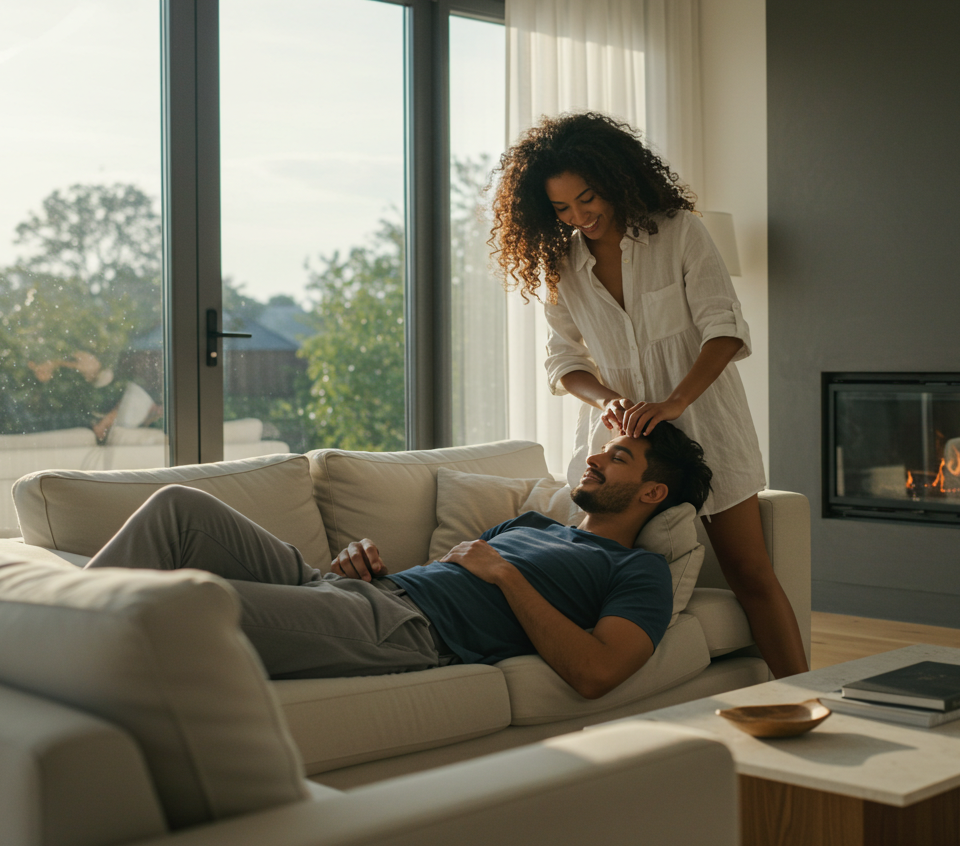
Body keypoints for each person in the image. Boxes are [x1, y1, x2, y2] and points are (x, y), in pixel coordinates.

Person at [489, 112, 809, 678]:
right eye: (561, 208)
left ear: (615, 178)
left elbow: (725, 328)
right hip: (623, 445)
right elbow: (563, 360)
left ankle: (805, 696)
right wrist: (607, 399)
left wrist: (676, 402)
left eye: (587, 198)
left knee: (750, 571)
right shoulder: (561, 264)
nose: (579, 216)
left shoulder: (679, 229)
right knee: (614, 570)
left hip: (707, 425)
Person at [86, 422, 713, 699]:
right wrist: (353, 567)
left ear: (653, 493)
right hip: (362, 594)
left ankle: (58, 656)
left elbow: (598, 672)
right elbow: (445, 576)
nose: (597, 459)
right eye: (604, 450)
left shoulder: (639, 572)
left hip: (404, 633)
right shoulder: (529, 523)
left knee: (199, 609)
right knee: (178, 509)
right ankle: (53, 624)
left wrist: (506, 574)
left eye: (619, 458)